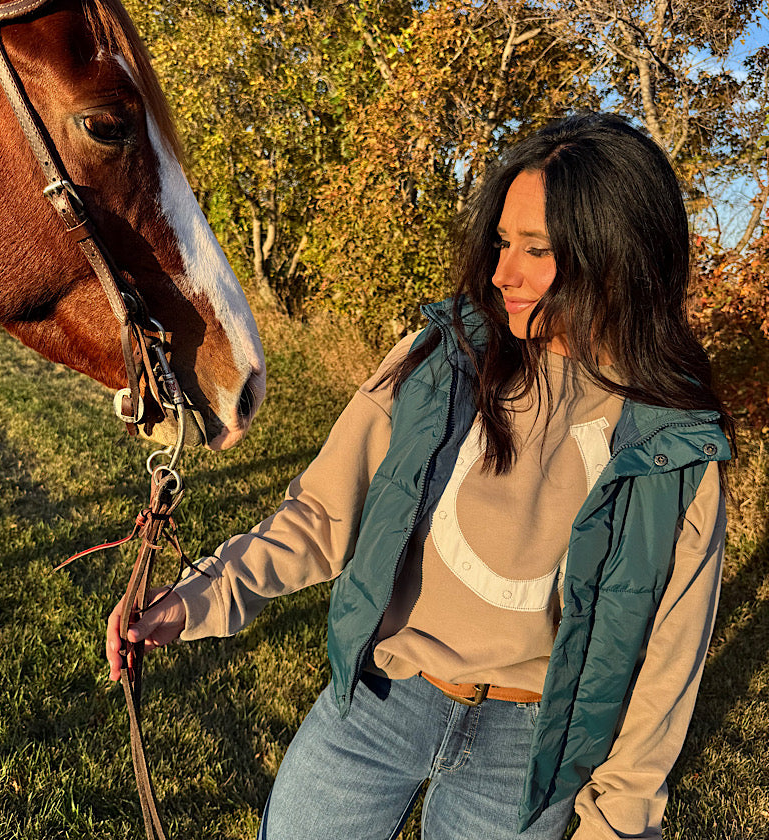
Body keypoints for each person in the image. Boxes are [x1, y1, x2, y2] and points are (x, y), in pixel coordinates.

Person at [106, 112, 733, 839]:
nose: (502, 273)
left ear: (617, 255)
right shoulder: (438, 359)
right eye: (502, 242)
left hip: (527, 756)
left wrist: (617, 825)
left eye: (535, 249)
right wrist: (198, 595)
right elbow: (321, 516)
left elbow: (666, 671)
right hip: (380, 699)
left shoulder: (673, 448)